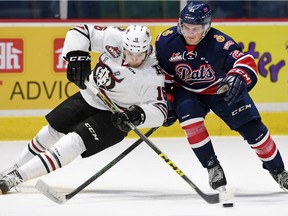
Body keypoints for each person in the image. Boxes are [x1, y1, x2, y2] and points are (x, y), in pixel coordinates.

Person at [0, 24, 167, 193]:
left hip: (115, 116)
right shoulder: (115, 37)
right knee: (51, 131)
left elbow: (160, 110)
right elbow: (81, 31)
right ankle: (12, 169)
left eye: (139, 54)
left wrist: (137, 115)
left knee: (73, 141)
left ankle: (17, 177)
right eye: (130, 53)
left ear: (148, 50)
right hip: (90, 95)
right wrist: (76, 56)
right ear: (123, 45)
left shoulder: (152, 73)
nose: (134, 59)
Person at [155, 1, 288, 192]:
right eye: (186, 27)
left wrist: (238, 76)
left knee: (255, 131)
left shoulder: (220, 43)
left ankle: (278, 171)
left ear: (207, 27)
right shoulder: (166, 42)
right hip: (187, 91)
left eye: (196, 28)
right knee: (190, 122)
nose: (190, 33)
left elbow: (246, 61)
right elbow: (164, 74)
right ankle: (212, 167)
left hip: (220, 90)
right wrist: (167, 101)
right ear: (180, 24)